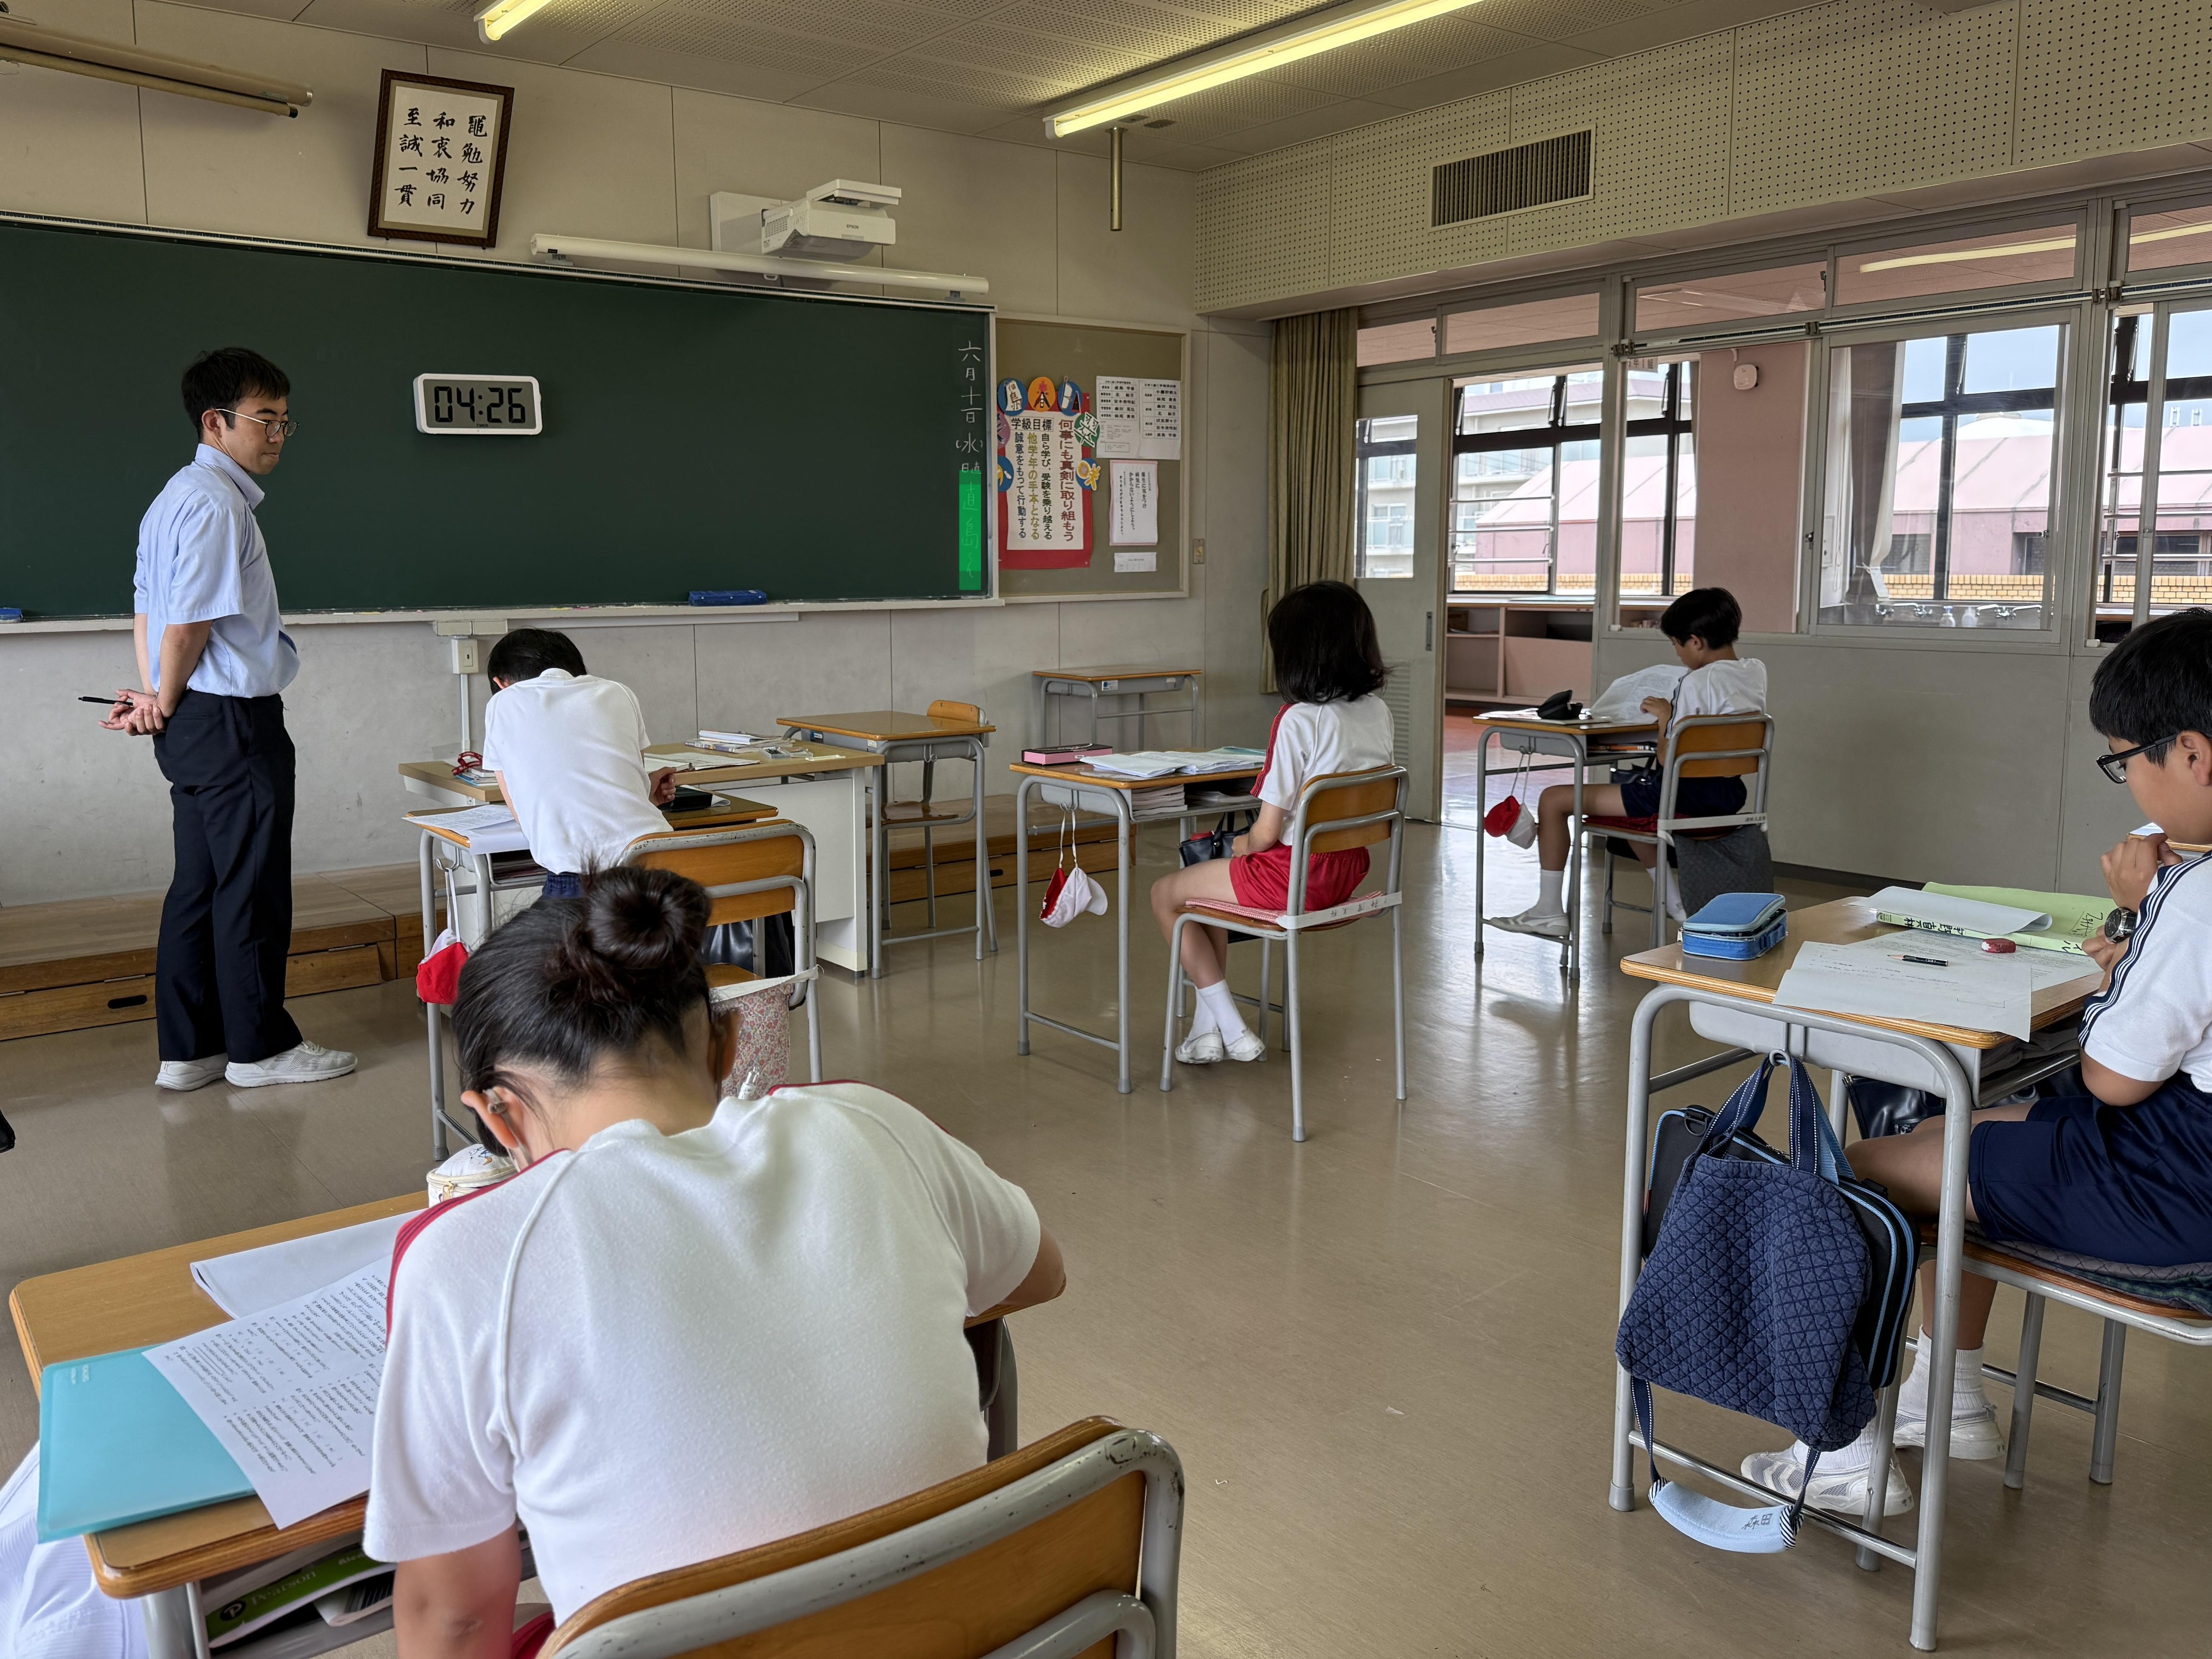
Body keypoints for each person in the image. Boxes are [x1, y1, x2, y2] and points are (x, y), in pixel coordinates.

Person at [365, 866, 1063, 1654]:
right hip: (959, 1633)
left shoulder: (464, 1258)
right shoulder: (872, 1122)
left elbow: (455, 1618)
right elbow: (1039, 1273)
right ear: (727, 1044)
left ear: (498, 1115)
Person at [1744, 607, 2212, 1519]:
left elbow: (2114, 1078)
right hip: (2179, 1152)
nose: (2127, 784)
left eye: (2125, 761)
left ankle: (1838, 1452)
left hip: (2175, 1184)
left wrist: (2138, 918)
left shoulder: (2193, 894)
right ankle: (1947, 1395)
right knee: (1950, 1128)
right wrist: (2143, 946)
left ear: (2192, 754)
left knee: (1849, 1169)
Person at [101, 347, 354, 1092]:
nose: (278, 435)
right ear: (216, 422)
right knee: (250, 886)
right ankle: (258, 1048)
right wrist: (164, 695)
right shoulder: (216, 503)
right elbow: (188, 623)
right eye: (264, 419)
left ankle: (191, 1050)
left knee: (200, 884)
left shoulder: (172, 497)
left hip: (193, 717)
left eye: (285, 420)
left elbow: (146, 611)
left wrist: (156, 697)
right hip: (231, 720)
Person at [1147, 580, 1394, 1065]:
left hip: (1293, 877)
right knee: (1206, 898)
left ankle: (1233, 1028)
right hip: (1346, 869)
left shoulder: (1298, 719)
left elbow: (1264, 834)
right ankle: (1205, 1033)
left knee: (1166, 894)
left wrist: (1242, 845)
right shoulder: (1378, 711)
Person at [1491, 586, 1765, 940]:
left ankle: (1548, 911)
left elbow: (1667, 757)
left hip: (1681, 798)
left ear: (1695, 642)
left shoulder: (1695, 681)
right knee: (1630, 808)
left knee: (1553, 799)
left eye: (1676, 644)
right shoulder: (1754, 671)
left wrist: (1665, 717)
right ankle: (1676, 905)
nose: (1678, 653)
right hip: (1728, 796)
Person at [479, 629, 683, 896]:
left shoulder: (502, 703)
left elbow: (521, 812)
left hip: (581, 875)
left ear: (501, 684)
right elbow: (633, 771)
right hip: (659, 857)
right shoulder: (619, 692)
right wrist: (642, 795)